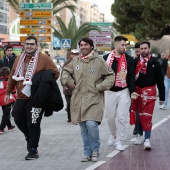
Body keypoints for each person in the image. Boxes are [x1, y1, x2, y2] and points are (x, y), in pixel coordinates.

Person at [4, 35, 60, 160]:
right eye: (27, 44)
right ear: (24, 45)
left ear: (36, 45)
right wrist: (8, 92)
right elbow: (12, 75)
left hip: (36, 98)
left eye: (32, 44)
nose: (29, 46)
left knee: (33, 123)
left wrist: (43, 83)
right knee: (17, 118)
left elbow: (55, 73)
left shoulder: (44, 58)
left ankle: (33, 150)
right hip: (21, 96)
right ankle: (30, 138)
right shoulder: (19, 58)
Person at [61, 37, 115, 162]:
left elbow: (111, 76)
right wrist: (69, 81)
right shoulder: (76, 61)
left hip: (94, 98)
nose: (84, 47)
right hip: (79, 99)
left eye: (86, 45)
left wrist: (100, 87)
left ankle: (95, 150)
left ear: (91, 46)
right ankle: (87, 152)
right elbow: (65, 72)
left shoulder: (99, 61)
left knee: (91, 124)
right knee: (83, 127)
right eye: (82, 45)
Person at [103, 36, 137, 151]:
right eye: (122, 45)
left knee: (121, 118)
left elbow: (131, 77)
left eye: (125, 45)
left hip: (124, 91)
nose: (124, 47)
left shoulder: (129, 59)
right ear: (116, 45)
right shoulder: (105, 58)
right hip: (109, 91)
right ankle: (113, 135)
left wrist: (132, 91)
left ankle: (119, 141)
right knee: (110, 118)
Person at [130, 41, 165, 150]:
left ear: (149, 49)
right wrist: (131, 91)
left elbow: (160, 80)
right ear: (139, 50)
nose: (143, 50)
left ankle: (147, 139)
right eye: (142, 48)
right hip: (137, 93)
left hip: (150, 93)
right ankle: (140, 135)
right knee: (139, 116)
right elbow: (130, 78)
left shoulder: (155, 62)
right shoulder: (134, 62)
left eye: (145, 48)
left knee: (147, 116)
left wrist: (162, 97)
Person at [61, 49, 79, 122]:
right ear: (71, 55)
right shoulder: (67, 63)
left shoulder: (81, 62)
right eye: (73, 54)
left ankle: (76, 117)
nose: (75, 56)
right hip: (68, 88)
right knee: (69, 103)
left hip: (78, 87)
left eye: (76, 54)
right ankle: (70, 117)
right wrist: (64, 85)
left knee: (77, 103)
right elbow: (63, 75)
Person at [0, 67, 16, 134]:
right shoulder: (10, 81)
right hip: (8, 99)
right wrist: (15, 98)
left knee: (5, 113)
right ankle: (1, 128)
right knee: (6, 114)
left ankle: (9, 126)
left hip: (1, 100)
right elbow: (13, 91)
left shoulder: (0, 81)